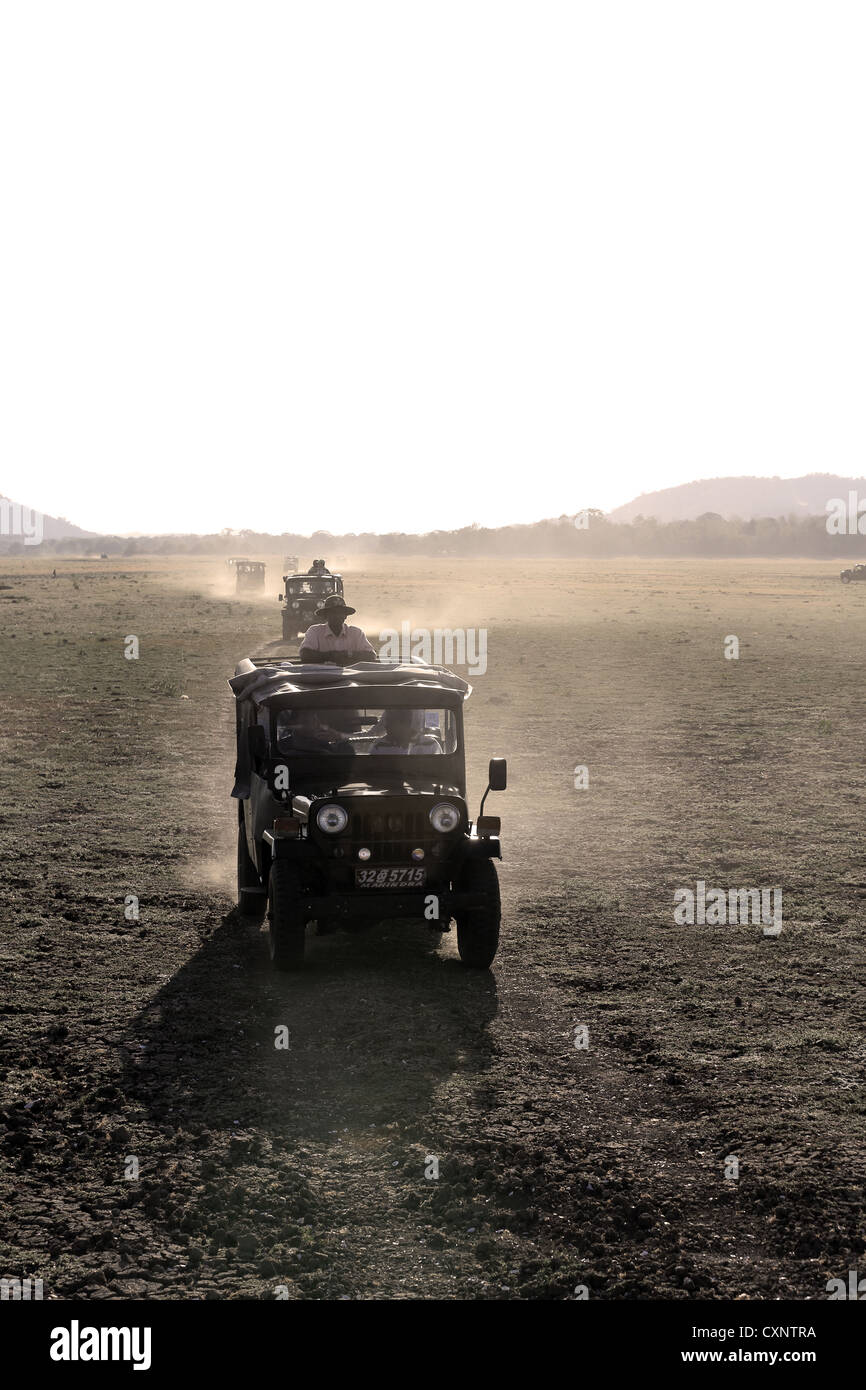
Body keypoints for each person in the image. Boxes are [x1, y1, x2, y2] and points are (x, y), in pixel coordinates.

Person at [299, 593, 377, 665]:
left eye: (340, 612)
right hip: (323, 678)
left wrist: (346, 654)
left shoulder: (356, 633)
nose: (337, 616)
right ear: (325, 616)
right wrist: (333, 655)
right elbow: (305, 655)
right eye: (333, 612)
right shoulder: (315, 631)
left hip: (350, 677)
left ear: (345, 616)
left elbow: (371, 655)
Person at [371, 708, 442, 754]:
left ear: (406, 723)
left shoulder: (430, 745)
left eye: (391, 722)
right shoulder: (379, 746)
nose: (386, 725)